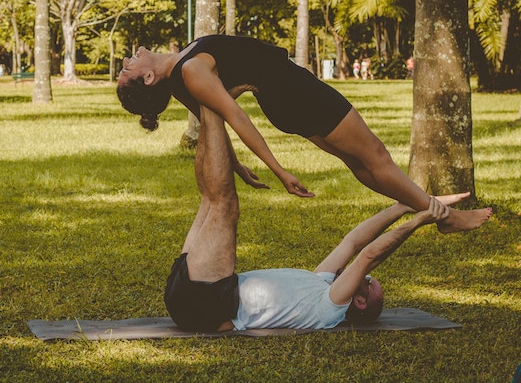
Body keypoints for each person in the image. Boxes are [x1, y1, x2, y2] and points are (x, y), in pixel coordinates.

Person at [116, 34, 491, 234]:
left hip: (285, 102)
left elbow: (214, 125)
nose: (129, 59)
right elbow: (236, 120)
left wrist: (239, 167)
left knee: (358, 161)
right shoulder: (190, 72)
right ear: (148, 78)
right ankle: (443, 216)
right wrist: (278, 169)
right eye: (127, 68)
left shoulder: (184, 74)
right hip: (296, 93)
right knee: (375, 155)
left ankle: (423, 205)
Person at [165, 105, 483, 332]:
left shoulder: (329, 308)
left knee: (224, 204)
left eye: (367, 283)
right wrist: (407, 205)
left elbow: (369, 255)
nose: (362, 276)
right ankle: (206, 98)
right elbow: (355, 241)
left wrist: (418, 222)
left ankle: (210, 97)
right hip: (197, 289)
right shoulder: (320, 283)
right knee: (211, 199)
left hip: (207, 302)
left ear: (358, 302)